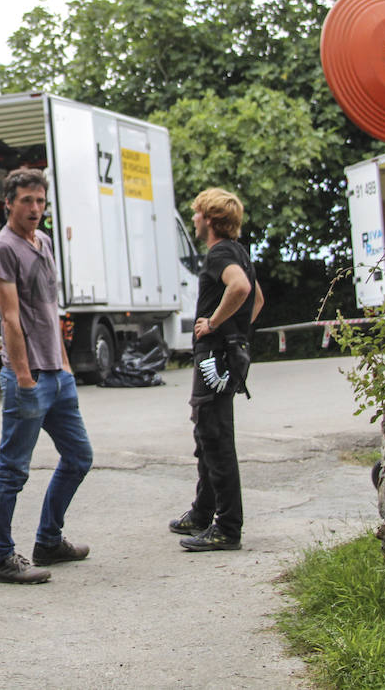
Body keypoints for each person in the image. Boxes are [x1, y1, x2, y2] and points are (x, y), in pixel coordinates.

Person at [0, 168, 93, 584]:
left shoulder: (43, 241)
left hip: (57, 373)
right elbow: (11, 318)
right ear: (9, 203)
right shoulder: (2, 248)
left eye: (40, 201)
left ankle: (49, 540)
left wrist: (65, 366)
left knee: (79, 457)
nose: (34, 208)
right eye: (26, 200)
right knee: (13, 470)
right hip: (27, 376)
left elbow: (49, 310)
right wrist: (24, 377)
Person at [170, 187, 264, 551]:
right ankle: (201, 512)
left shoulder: (219, 252)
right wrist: (236, 332)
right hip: (226, 355)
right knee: (206, 435)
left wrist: (214, 324)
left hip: (214, 358)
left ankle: (227, 528)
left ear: (209, 219)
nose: (193, 218)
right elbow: (256, 298)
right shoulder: (238, 252)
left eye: (197, 213)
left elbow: (240, 288)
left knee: (216, 438)